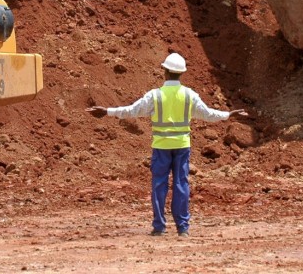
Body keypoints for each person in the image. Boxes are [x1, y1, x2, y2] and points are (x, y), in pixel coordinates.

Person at [86, 52, 248, 237]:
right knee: (181, 184)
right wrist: (228, 115)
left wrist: (107, 111)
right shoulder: (189, 95)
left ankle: (159, 226)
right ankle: (183, 228)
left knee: (159, 185)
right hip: (182, 146)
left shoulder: (155, 96)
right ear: (181, 73)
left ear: (165, 71)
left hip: (161, 147)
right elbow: (208, 114)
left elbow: (132, 110)